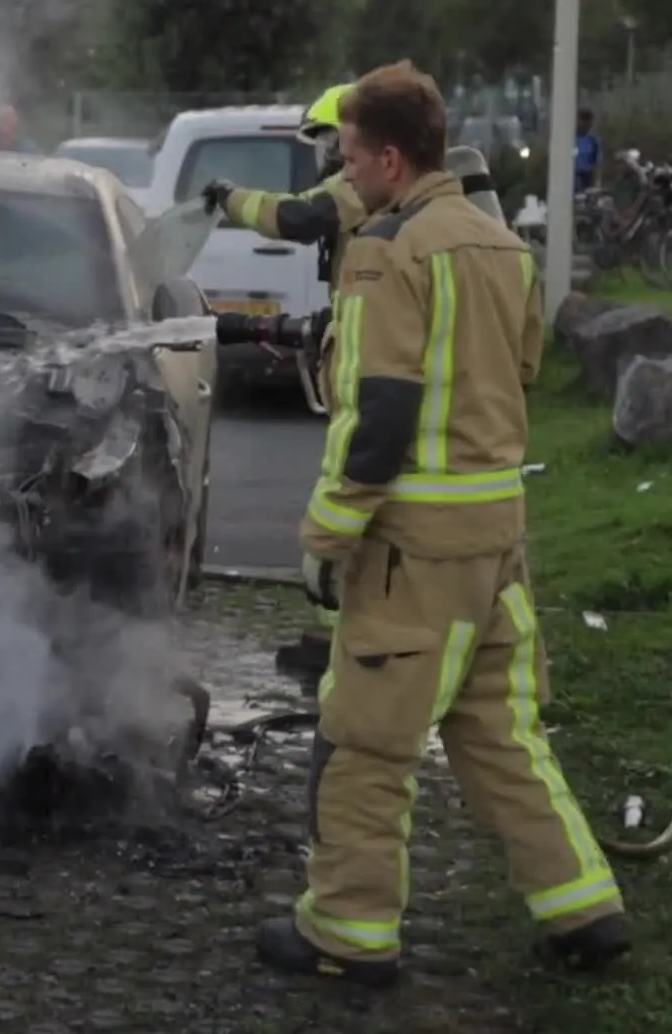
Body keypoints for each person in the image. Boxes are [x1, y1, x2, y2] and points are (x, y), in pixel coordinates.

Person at [255, 60, 628, 987]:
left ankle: (348, 937)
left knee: (367, 746)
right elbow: (524, 371)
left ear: (387, 157)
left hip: (410, 552)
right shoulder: (503, 245)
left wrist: (327, 536)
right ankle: (584, 909)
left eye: (346, 156)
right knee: (503, 735)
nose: (340, 174)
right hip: (496, 539)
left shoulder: (388, 249)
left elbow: (377, 417)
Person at [197, 83, 368, 690]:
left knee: (347, 507)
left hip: (372, 378)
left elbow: (297, 217)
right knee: (345, 504)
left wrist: (230, 199)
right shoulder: (365, 197)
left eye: (328, 142)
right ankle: (336, 637)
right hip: (355, 358)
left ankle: (347, 645)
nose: (324, 157)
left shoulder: (357, 187)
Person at [573, 107, 601, 193]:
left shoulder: (592, 140)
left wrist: (597, 182)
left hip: (587, 176)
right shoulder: (571, 139)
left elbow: (596, 162)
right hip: (573, 174)